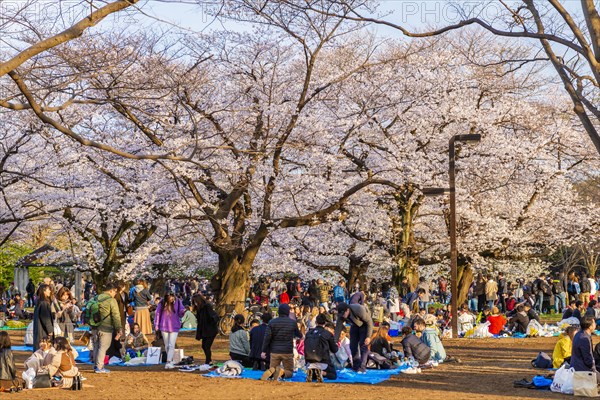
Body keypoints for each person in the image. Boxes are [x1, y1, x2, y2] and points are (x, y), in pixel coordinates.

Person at [260, 304, 303, 380]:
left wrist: (263, 351)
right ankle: (282, 372)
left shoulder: (272, 322)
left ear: (279, 312)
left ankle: (273, 371)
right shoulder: (292, 322)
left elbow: (267, 338)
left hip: (274, 351)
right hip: (287, 351)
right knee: (289, 372)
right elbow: (299, 335)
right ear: (288, 312)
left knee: (273, 368)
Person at [334, 302, 374, 373]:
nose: (342, 316)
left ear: (347, 310)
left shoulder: (358, 309)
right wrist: (335, 341)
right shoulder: (341, 315)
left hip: (364, 325)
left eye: (343, 314)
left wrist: (368, 336)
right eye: (341, 315)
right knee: (353, 345)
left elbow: (369, 322)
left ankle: (362, 367)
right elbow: (338, 328)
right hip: (354, 325)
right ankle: (356, 366)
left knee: (363, 345)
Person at [92, 282, 122, 374]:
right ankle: (99, 367)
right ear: (111, 290)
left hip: (94, 327)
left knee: (96, 346)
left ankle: (96, 365)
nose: (115, 294)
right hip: (106, 327)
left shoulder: (96, 298)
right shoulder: (111, 300)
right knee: (103, 347)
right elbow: (116, 315)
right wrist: (118, 328)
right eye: (115, 292)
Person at [154, 292, 185, 369]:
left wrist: (183, 311)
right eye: (170, 297)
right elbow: (158, 314)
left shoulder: (178, 301)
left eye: (173, 296)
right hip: (164, 326)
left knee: (171, 344)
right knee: (167, 345)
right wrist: (156, 325)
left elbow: (180, 313)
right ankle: (170, 360)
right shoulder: (162, 302)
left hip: (174, 326)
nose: (172, 298)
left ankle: (168, 361)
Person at [304, 313, 338, 380]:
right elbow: (335, 349)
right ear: (325, 323)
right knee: (333, 375)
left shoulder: (308, 333)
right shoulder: (327, 334)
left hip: (309, 362)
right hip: (323, 361)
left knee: (313, 373)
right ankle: (322, 373)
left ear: (316, 322)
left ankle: (313, 373)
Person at [571, 317, 600, 383]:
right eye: (594, 323)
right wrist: (594, 370)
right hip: (582, 370)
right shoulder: (584, 338)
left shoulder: (579, 334)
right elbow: (587, 359)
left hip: (576, 366)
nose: (595, 324)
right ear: (590, 326)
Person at [193, 293, 218, 365]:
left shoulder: (207, 307)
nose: (195, 303)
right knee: (204, 346)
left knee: (206, 346)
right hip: (205, 330)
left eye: (196, 301)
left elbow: (214, 316)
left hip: (211, 330)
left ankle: (208, 361)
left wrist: (212, 321)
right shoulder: (199, 309)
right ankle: (209, 360)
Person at [32, 284, 54, 351]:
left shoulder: (39, 303)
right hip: (43, 332)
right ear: (44, 291)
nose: (50, 291)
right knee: (44, 350)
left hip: (39, 330)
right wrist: (50, 330)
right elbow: (45, 319)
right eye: (48, 290)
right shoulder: (44, 303)